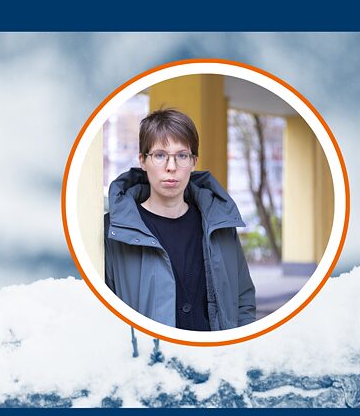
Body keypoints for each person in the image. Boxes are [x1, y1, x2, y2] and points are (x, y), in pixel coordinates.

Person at [104, 109, 256, 331]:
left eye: (182, 156)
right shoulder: (115, 231)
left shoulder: (219, 225)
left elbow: (243, 299)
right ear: (142, 161)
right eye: (159, 155)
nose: (171, 167)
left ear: (193, 162)